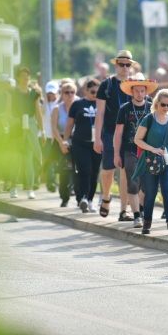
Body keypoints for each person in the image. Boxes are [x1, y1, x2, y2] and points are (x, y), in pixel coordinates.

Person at [133, 89, 168, 235]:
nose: (166, 108)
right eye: (163, 105)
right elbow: (137, 139)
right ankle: (146, 222)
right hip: (150, 160)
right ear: (157, 103)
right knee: (151, 193)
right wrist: (153, 149)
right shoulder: (148, 119)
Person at [114, 74, 157, 228]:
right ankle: (137, 216)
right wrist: (116, 154)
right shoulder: (124, 109)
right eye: (137, 91)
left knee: (147, 185)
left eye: (142, 91)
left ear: (146, 91)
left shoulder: (152, 106)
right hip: (129, 149)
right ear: (132, 92)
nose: (139, 94)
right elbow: (118, 133)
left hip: (148, 150)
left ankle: (142, 209)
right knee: (133, 182)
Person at [95, 50, 133, 220]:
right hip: (110, 132)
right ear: (116, 65)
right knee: (108, 170)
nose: (124, 67)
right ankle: (106, 196)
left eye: (128, 64)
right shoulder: (107, 85)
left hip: (129, 134)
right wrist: (97, 138)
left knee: (125, 172)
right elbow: (100, 113)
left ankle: (124, 211)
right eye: (121, 64)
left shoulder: (134, 84)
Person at [64, 78, 102, 213]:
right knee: (85, 170)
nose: (95, 94)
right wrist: (65, 140)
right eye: (92, 91)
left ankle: (90, 200)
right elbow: (69, 124)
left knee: (94, 172)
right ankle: (83, 198)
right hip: (80, 143)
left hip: (97, 143)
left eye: (98, 92)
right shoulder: (77, 104)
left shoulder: (102, 104)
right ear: (86, 90)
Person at [10, 66, 42, 199]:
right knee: (17, 158)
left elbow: (38, 112)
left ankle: (30, 188)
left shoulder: (34, 93)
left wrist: (42, 130)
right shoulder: (13, 92)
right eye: (23, 76)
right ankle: (13, 187)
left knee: (29, 157)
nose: (26, 79)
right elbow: (9, 111)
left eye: (27, 76)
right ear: (18, 78)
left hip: (30, 125)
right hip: (17, 125)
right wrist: (13, 121)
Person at [53, 81, 78, 207]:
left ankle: (80, 197)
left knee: (78, 170)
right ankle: (64, 197)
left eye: (72, 92)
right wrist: (62, 143)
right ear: (62, 94)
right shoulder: (57, 108)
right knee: (65, 170)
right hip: (62, 139)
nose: (70, 95)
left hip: (78, 140)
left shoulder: (79, 105)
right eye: (66, 92)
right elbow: (54, 128)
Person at [41, 81, 60, 192]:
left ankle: (54, 181)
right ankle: (50, 182)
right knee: (49, 160)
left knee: (56, 161)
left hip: (57, 137)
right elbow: (41, 112)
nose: (51, 95)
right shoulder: (42, 103)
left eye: (53, 92)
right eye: (49, 93)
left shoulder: (59, 103)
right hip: (47, 137)